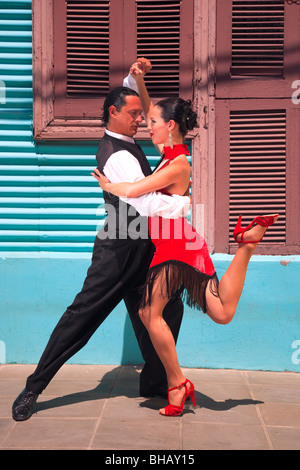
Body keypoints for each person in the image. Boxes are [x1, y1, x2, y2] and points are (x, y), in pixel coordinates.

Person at [92, 59, 279, 416]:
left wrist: (106, 184)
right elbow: (152, 109)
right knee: (222, 313)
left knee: (149, 310)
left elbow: (133, 191)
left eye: (152, 124)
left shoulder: (178, 164)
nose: (146, 126)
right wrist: (139, 81)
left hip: (177, 246)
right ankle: (248, 246)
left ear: (171, 126)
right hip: (187, 243)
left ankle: (177, 384)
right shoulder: (171, 153)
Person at [11, 81, 192, 421]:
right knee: (81, 318)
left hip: (144, 251)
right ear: (113, 113)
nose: (140, 119)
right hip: (117, 253)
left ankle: (154, 382)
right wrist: (183, 203)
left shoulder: (128, 142)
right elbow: (147, 203)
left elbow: (146, 117)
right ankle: (33, 388)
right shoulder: (117, 153)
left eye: (142, 114)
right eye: (134, 114)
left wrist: (134, 78)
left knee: (169, 312)